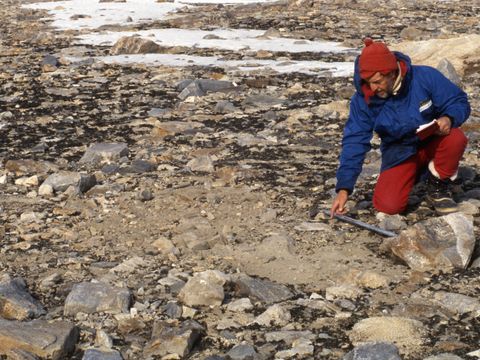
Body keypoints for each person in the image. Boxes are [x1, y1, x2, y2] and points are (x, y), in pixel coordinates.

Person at [330, 38, 470, 217]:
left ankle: (438, 185)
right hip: (399, 152)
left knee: (455, 138)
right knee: (388, 206)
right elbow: (354, 142)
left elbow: (457, 101)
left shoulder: (424, 77)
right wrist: (344, 189)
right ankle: (420, 174)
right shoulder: (363, 99)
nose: (373, 87)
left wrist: (448, 118)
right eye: (368, 81)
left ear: (391, 72)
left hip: (433, 140)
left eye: (378, 81)